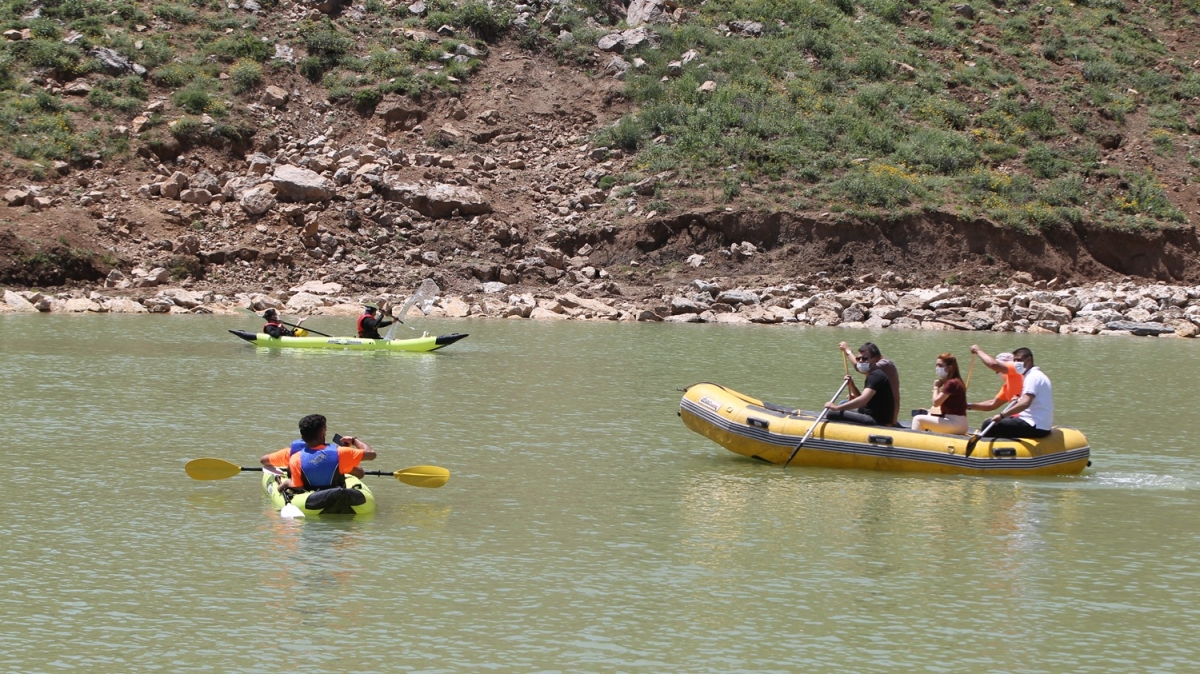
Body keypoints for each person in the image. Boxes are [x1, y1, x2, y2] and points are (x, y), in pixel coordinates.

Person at [265, 414, 377, 492]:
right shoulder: (341, 453)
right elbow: (371, 454)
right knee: (346, 468)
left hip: (311, 500)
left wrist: (286, 483)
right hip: (338, 494)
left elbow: (298, 487)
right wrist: (354, 440)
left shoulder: (294, 458)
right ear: (323, 432)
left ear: (302, 437)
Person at [981, 348, 1053, 439]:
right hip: (1037, 423)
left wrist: (1002, 415)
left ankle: (986, 450)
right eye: (1014, 360)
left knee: (989, 423)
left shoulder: (1033, 377)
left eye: (1019, 360)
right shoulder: (1033, 375)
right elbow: (1032, 401)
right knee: (998, 421)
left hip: (1035, 425)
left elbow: (1025, 403)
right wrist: (1018, 400)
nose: (1016, 363)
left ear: (1029, 360)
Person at [824, 344, 897, 426]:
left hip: (876, 419)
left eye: (865, 358)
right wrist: (852, 385)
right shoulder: (872, 374)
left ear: (873, 360)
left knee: (832, 413)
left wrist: (836, 408)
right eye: (858, 358)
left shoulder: (876, 376)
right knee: (843, 404)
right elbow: (866, 402)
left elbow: (862, 401)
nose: (861, 361)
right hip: (869, 413)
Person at [911, 353, 968, 434]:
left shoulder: (951, 383)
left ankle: (915, 442)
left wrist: (936, 387)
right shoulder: (956, 381)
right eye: (936, 365)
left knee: (918, 419)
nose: (937, 368)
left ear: (949, 368)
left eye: (940, 365)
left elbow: (936, 403)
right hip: (959, 422)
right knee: (929, 414)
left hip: (955, 423)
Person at [965, 345, 1024, 413]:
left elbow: (994, 365)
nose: (996, 372)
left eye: (998, 369)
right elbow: (992, 404)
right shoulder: (1007, 387)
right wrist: (967, 406)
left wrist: (978, 351)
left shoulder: (1017, 369)